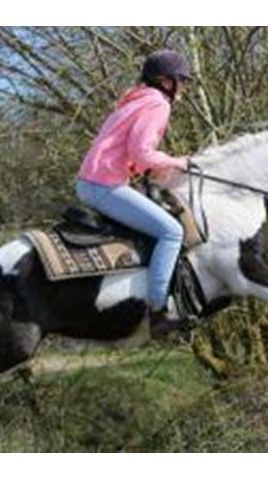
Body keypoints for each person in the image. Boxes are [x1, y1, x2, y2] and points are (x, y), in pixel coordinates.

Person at [75, 49, 193, 336]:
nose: (185, 87)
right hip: (104, 185)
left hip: (95, 181)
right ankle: (158, 311)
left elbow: (134, 155)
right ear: (167, 82)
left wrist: (156, 166)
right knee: (172, 232)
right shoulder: (157, 104)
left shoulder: (136, 98)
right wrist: (178, 162)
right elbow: (142, 154)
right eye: (183, 80)